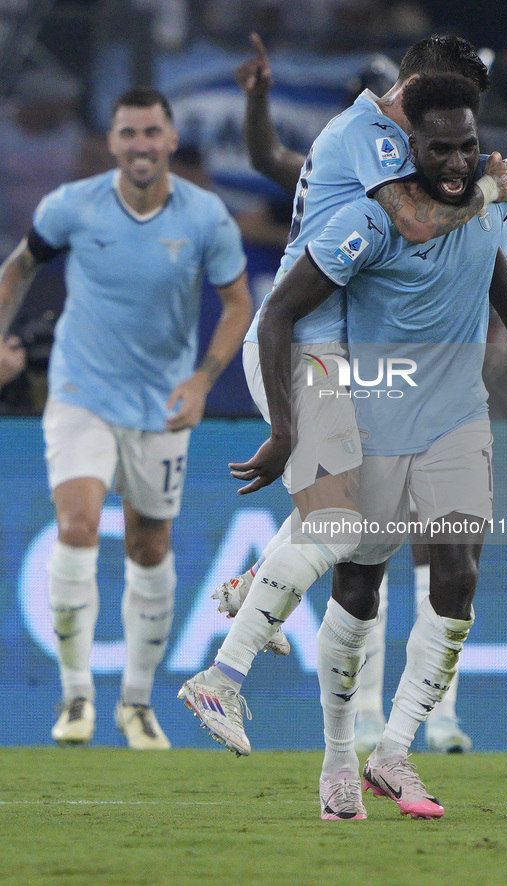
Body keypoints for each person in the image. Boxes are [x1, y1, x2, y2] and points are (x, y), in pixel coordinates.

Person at [182, 70, 507, 820]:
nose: (455, 161)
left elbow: (492, 262)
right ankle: (257, 700)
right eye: (437, 148)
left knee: (418, 568)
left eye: (468, 148)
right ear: (401, 140)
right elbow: (284, 301)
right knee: (347, 550)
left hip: (420, 402)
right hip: (334, 375)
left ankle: (378, 754)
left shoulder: (476, 191)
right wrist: (285, 430)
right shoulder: (371, 201)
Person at [0, 86, 253, 749]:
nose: (140, 144)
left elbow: (236, 303)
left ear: (170, 139)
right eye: (128, 133)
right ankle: (76, 695)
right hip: (81, 392)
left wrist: (202, 379)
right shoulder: (71, 206)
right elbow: (17, 269)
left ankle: (136, 703)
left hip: (161, 404)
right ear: (111, 142)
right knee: (77, 524)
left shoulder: (204, 216)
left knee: (149, 546)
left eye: (151, 132)